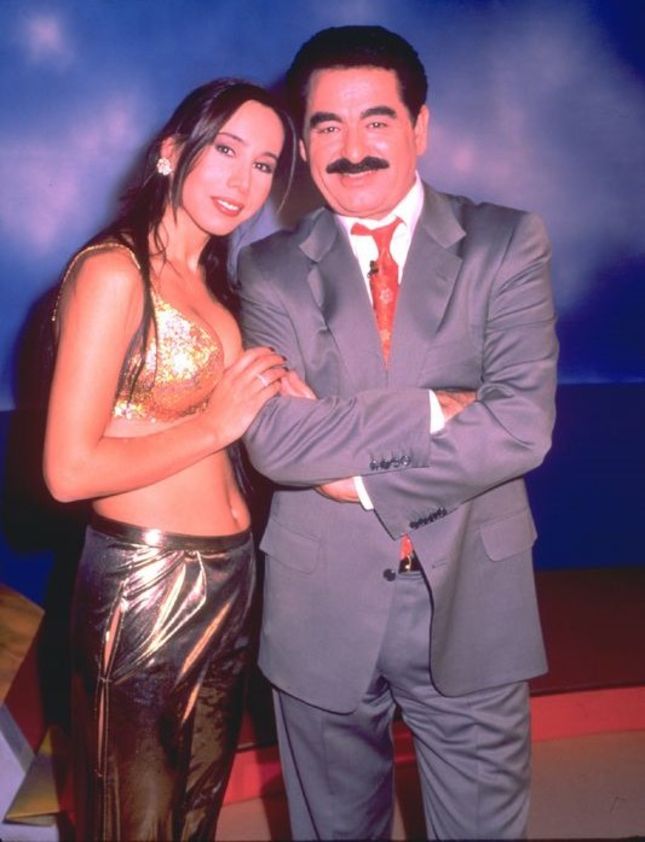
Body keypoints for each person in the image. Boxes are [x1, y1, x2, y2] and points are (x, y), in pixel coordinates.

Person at [238, 25, 558, 840]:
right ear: (302, 143)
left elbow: (519, 425)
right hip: (318, 605)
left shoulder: (505, 242)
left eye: (376, 121)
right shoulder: (267, 268)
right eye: (326, 126)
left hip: (473, 599)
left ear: (419, 127)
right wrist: (435, 406)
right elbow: (275, 443)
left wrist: (362, 483)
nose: (352, 149)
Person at [43, 78, 294, 841]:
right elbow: (67, 472)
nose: (242, 180)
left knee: (192, 816)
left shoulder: (215, 283)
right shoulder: (114, 272)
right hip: (146, 583)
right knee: (135, 820)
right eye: (226, 150)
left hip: (231, 575)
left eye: (263, 164)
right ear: (170, 153)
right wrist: (217, 423)